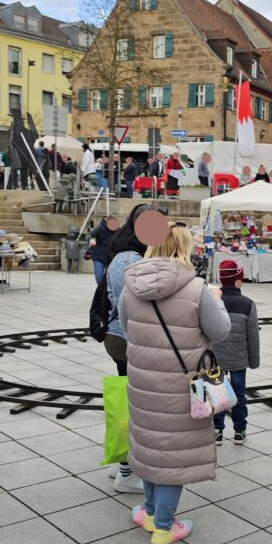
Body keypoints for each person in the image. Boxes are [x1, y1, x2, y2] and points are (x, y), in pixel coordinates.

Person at [119, 225, 230, 544]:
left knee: (152, 447)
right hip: (181, 387)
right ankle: (164, 527)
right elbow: (220, 330)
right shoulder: (196, 289)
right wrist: (217, 301)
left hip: (143, 384)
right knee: (173, 455)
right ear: (184, 248)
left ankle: (150, 512)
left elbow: (129, 329)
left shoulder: (131, 287)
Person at [104, 204, 163, 494]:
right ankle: (127, 472)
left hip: (122, 336)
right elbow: (132, 303)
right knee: (136, 406)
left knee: (130, 400)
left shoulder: (126, 253)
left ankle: (123, 461)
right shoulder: (131, 259)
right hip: (128, 338)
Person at [212, 260, 260, 445]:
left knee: (218, 394)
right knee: (239, 393)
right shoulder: (247, 304)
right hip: (239, 359)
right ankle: (239, 431)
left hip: (217, 358)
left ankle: (217, 430)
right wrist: (254, 361)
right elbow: (253, 336)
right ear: (238, 281)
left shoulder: (214, 302)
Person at [89, 216, 120, 284]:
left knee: (110, 277)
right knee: (99, 277)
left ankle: (106, 291)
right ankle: (100, 289)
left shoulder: (118, 231)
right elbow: (89, 235)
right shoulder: (99, 228)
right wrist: (91, 239)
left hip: (111, 258)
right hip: (99, 257)